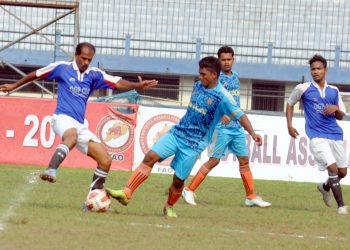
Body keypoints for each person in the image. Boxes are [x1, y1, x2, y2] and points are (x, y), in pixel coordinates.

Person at [106, 56, 263, 218]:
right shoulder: (197, 86)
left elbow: (241, 116)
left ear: (214, 75)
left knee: (178, 181)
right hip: (176, 133)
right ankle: (127, 192)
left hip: (194, 145)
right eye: (199, 73)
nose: (199, 77)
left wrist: (252, 133)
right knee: (150, 157)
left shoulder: (223, 97)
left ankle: (169, 206)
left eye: (203, 74)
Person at [0, 42, 157, 194]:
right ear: (76, 55)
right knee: (71, 136)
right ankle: (51, 169)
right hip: (61, 118)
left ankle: (93, 197)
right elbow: (36, 74)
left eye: (89, 59)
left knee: (106, 159)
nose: (86, 62)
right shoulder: (62, 68)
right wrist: (14, 86)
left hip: (80, 124)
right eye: (83, 58)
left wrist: (137, 86)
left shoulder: (94, 75)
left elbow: (117, 83)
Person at [182, 46, 271, 207]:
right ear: (219, 61)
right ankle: (189, 189)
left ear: (233, 60)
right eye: (223, 60)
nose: (226, 62)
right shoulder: (216, 78)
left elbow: (234, 102)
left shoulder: (235, 76)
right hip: (222, 127)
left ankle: (250, 196)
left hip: (236, 127)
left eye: (229, 59)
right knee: (214, 160)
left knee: (244, 161)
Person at [286, 54, 348, 215]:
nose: (315, 72)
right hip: (317, 136)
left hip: (335, 134)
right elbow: (290, 104)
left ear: (325, 70)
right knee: (333, 168)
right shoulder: (303, 88)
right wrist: (289, 125)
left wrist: (336, 109)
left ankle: (325, 187)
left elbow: (341, 115)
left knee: (343, 172)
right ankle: (341, 206)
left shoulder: (334, 91)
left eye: (319, 68)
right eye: (313, 69)